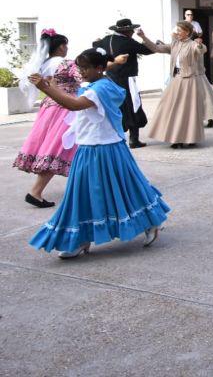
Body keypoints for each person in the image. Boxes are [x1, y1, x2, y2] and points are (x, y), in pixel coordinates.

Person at [28, 48, 170, 258]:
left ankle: (149, 222)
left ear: (100, 68)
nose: (81, 72)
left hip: (104, 149)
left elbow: (74, 105)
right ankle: (80, 238)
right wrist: (54, 86)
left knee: (125, 189)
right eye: (80, 68)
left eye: (85, 68)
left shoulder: (100, 89)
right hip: (90, 147)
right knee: (83, 194)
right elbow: (79, 99)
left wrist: (46, 89)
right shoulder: (99, 84)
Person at [14, 30, 84, 208]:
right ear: (61, 46)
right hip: (65, 107)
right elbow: (82, 77)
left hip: (48, 107)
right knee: (59, 148)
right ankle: (35, 192)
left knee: (57, 147)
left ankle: (84, 186)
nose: (67, 48)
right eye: (65, 45)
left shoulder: (43, 64)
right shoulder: (67, 64)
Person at [140, 21, 213, 148]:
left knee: (189, 111)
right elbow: (157, 48)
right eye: (176, 30)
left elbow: (201, 49)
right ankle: (176, 138)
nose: (176, 33)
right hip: (177, 79)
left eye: (179, 30)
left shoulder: (192, 44)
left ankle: (190, 137)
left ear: (187, 32)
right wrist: (143, 37)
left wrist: (199, 44)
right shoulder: (175, 45)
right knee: (171, 108)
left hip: (190, 81)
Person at [93, 18, 156, 149]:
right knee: (133, 106)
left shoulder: (105, 40)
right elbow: (148, 50)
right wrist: (146, 39)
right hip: (126, 79)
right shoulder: (128, 42)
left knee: (116, 107)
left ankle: (116, 137)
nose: (133, 32)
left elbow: (95, 46)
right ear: (126, 31)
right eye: (131, 30)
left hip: (110, 78)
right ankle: (134, 139)